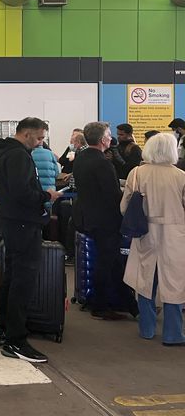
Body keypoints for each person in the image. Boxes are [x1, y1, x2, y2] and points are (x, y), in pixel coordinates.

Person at [0, 117, 61, 363]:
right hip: (24, 225)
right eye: (40, 138)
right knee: (22, 282)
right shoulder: (19, 156)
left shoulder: (6, 154)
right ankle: (16, 340)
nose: (41, 143)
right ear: (27, 134)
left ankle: (5, 329)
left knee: (11, 279)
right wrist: (46, 195)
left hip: (12, 223)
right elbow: (22, 192)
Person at [122, 133, 185, 346]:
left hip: (145, 231)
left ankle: (147, 328)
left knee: (145, 279)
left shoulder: (137, 173)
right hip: (175, 234)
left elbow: (125, 207)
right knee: (174, 283)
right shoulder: (181, 176)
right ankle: (173, 333)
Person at [72, 122, 137, 320]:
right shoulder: (102, 163)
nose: (111, 138)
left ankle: (130, 304)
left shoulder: (81, 158)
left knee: (112, 262)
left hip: (88, 215)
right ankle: (100, 306)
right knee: (107, 262)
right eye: (109, 135)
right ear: (102, 140)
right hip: (106, 220)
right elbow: (112, 195)